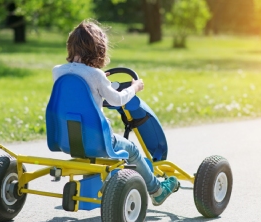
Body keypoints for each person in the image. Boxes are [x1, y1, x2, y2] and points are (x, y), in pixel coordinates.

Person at [52, 19, 179, 206]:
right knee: (133, 151)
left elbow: (78, 93)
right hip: (97, 141)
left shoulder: (58, 71)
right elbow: (116, 100)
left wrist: (101, 81)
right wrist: (134, 87)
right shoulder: (96, 76)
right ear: (98, 49)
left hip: (65, 138)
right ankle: (156, 189)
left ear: (71, 46)